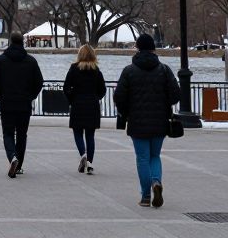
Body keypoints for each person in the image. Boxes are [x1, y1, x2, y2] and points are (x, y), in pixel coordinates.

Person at [114, 33, 181, 208]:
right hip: (160, 121)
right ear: (153, 48)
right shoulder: (164, 70)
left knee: (142, 158)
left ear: (137, 48)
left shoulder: (129, 71)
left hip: (137, 121)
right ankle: (156, 181)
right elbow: (175, 95)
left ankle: (145, 196)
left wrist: (125, 112)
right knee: (155, 156)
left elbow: (119, 96)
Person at [0, 31, 44, 178]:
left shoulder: (1, 60)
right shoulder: (31, 61)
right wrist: (31, 96)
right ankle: (19, 165)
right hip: (24, 104)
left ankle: (12, 156)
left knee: (7, 133)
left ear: (10, 42)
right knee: (21, 135)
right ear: (23, 43)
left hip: (7, 103)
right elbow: (39, 82)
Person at [62, 44, 107, 174]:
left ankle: (83, 154)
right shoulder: (96, 70)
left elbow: (66, 88)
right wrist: (95, 97)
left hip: (78, 104)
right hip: (92, 105)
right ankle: (89, 162)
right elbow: (103, 90)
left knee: (77, 132)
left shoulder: (74, 69)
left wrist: (72, 99)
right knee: (90, 135)